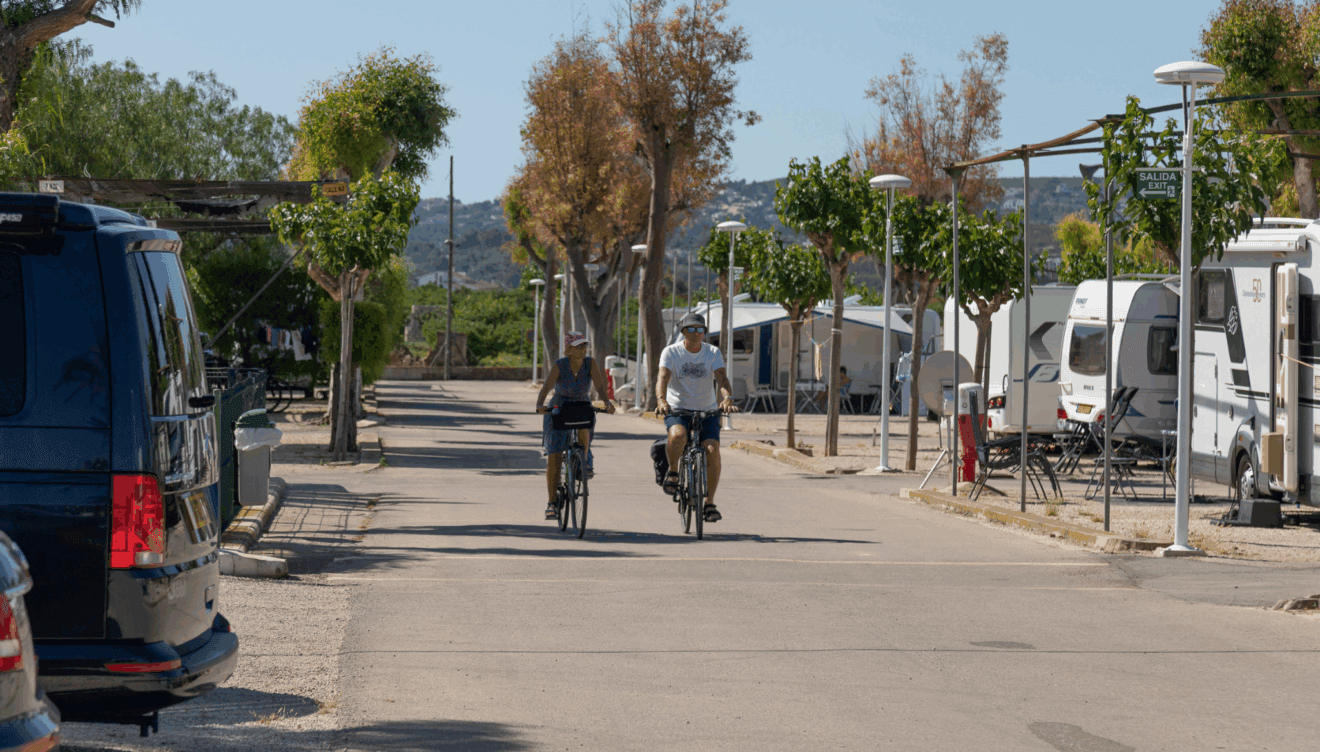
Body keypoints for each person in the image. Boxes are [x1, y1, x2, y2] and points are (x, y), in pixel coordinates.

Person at [655, 312, 739, 522]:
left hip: (707, 410)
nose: (695, 333)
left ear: (704, 333)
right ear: (683, 332)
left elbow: (721, 378)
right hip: (678, 408)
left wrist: (727, 397)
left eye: (700, 329)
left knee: (712, 450)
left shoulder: (712, 352)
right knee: (678, 435)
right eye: (690, 329)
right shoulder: (671, 352)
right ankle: (673, 471)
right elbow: (662, 378)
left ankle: (709, 504)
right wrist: (661, 400)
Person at [535, 331, 615, 520]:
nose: (583, 350)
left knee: (584, 425)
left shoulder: (590, 363)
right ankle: (552, 503)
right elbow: (546, 387)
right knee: (554, 456)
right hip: (560, 406)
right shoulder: (560, 365)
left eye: (585, 346)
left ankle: (583, 459)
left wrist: (607, 403)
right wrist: (540, 405)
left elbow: (599, 385)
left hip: (581, 404)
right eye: (579, 346)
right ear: (569, 350)